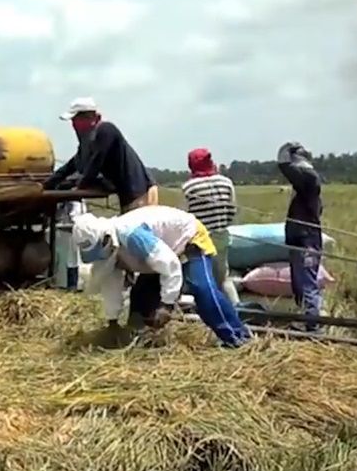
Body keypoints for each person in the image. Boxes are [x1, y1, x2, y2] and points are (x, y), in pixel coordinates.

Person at [72, 205, 252, 348]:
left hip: (188, 241)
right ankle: (139, 338)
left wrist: (167, 304)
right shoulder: (107, 251)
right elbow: (111, 284)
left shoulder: (132, 235)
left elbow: (169, 265)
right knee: (140, 297)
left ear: (106, 239)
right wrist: (112, 320)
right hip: (159, 257)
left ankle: (237, 338)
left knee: (202, 290)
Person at [45, 97, 157, 213]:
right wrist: (47, 184)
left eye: (76, 120)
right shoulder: (89, 141)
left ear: (91, 118)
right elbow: (71, 165)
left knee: (136, 228)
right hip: (128, 194)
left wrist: (80, 186)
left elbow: (95, 163)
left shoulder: (106, 130)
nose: (73, 125)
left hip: (140, 193)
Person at [180, 148, 240, 304]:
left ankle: (205, 311)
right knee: (223, 278)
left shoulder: (189, 188)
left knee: (203, 280)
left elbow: (184, 217)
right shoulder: (226, 182)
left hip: (200, 240)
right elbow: (233, 210)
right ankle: (238, 308)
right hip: (222, 235)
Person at [277, 142, 324, 332]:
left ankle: (313, 325)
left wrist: (285, 150)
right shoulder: (306, 183)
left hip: (308, 239)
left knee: (307, 282)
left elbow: (284, 167)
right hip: (300, 237)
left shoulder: (309, 178)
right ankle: (305, 318)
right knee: (299, 282)